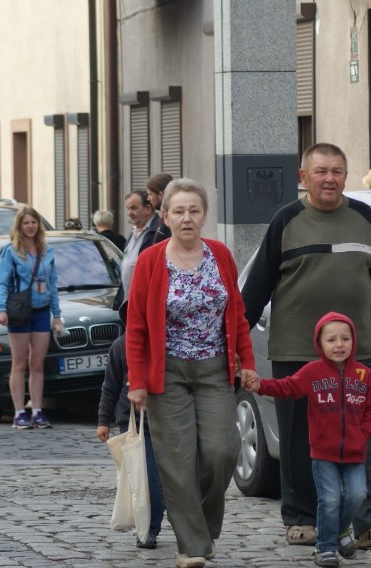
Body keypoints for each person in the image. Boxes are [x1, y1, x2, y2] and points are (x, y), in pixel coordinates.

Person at [241, 142, 371, 550]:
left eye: (337, 171)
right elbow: (257, 286)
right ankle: (301, 518)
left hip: (358, 350)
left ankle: (369, 522)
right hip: (297, 350)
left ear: (346, 177)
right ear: (303, 178)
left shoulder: (366, 218)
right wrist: (236, 343)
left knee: (360, 435)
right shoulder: (287, 221)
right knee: (298, 439)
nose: (329, 178)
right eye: (320, 171)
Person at [125, 177, 257, 568]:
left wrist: (246, 362)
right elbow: (136, 327)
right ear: (164, 216)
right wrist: (136, 382)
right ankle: (193, 546)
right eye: (178, 211)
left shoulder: (220, 255)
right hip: (166, 374)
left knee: (222, 451)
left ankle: (200, 525)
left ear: (204, 215)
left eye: (194, 210)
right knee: (177, 460)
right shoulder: (151, 261)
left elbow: (238, 315)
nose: (186, 218)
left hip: (215, 370)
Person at [242, 312, 371, 567]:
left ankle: (340, 530)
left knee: (356, 495)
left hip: (355, 452)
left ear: (354, 341)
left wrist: (363, 434)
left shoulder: (363, 375)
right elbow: (287, 387)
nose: (339, 345)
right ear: (320, 344)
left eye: (345, 339)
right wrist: (260, 386)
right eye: (331, 340)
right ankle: (325, 547)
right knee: (329, 499)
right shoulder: (312, 373)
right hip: (323, 453)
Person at [96, 300, 165, 549]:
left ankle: (156, 518)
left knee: (164, 480)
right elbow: (110, 386)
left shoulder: (166, 345)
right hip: (134, 426)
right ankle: (148, 529)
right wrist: (104, 421)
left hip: (166, 422)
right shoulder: (120, 347)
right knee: (145, 480)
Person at [0, 207, 63, 429]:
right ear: (19, 226)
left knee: (38, 364)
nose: (30, 226)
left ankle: (38, 411)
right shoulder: (11, 251)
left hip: (42, 311)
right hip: (20, 312)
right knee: (20, 363)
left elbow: (52, 285)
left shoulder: (47, 251)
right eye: (26, 223)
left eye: (34, 222)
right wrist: (0, 308)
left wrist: (57, 315)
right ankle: (18, 412)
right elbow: (1, 283)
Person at [113, 190, 160, 309]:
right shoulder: (133, 231)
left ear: (148, 208)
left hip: (147, 304)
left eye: (134, 208)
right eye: (128, 208)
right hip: (129, 304)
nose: (129, 213)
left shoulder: (159, 232)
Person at [145, 172, 173, 242]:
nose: (148, 198)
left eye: (150, 194)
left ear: (160, 195)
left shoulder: (171, 221)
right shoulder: (165, 218)